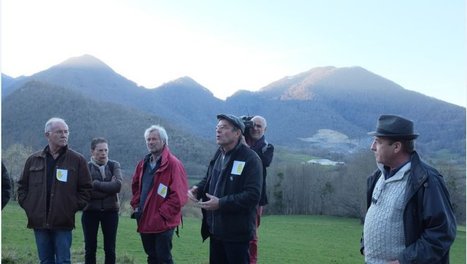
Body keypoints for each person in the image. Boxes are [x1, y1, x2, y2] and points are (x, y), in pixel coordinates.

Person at [361, 114, 457, 264]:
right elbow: (373, 216)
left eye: (378, 142)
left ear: (397, 147)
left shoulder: (427, 180)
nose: (372, 147)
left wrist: (404, 261)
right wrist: (364, 244)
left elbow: (442, 233)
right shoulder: (376, 177)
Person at [188, 114, 263, 264]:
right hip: (216, 231)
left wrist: (221, 203)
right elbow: (209, 178)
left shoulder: (251, 159)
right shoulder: (219, 154)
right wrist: (197, 188)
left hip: (237, 235)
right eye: (217, 128)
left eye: (224, 128)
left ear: (237, 133)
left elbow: (252, 195)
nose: (218, 131)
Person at [17, 117, 92, 264]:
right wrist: (30, 207)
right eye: (59, 132)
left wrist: (71, 207)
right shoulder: (33, 160)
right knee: (45, 260)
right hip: (38, 221)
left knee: (63, 260)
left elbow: (86, 189)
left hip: (63, 221)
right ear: (47, 135)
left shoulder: (77, 160)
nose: (64, 135)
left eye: (66, 132)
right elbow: (22, 187)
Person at [130, 125, 189, 264]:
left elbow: (179, 196)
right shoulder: (143, 164)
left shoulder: (173, 164)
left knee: (163, 258)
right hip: (144, 219)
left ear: (164, 141)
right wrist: (137, 206)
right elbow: (136, 187)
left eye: (154, 139)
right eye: (148, 140)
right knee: (151, 257)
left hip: (163, 222)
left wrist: (161, 215)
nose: (150, 142)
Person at [82, 137, 122, 264]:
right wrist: (108, 190)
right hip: (90, 212)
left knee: (110, 249)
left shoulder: (114, 165)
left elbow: (118, 186)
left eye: (106, 150)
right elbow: (86, 191)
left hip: (111, 213)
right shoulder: (85, 167)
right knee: (90, 248)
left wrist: (96, 184)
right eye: (100, 150)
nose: (103, 153)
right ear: (92, 151)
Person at [245, 116, 274, 264]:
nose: (255, 129)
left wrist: (244, 147)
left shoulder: (267, 148)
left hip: (255, 198)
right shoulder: (240, 139)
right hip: (236, 193)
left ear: (265, 129)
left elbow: (263, 161)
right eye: (253, 125)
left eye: (259, 126)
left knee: (251, 234)